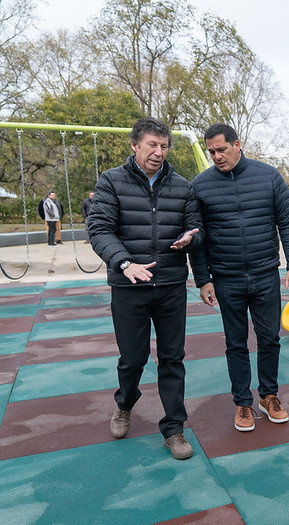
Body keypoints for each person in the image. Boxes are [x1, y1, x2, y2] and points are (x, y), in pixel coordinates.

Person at [88, 117, 204, 460]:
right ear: (135, 145)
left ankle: (174, 429)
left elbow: (197, 228)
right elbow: (99, 229)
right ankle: (124, 404)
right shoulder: (111, 181)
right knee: (133, 358)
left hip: (170, 285)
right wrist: (126, 264)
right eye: (152, 145)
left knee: (172, 358)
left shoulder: (182, 186)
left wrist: (191, 237)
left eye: (164, 146)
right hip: (128, 286)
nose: (158, 152)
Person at [190, 123, 289, 433]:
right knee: (236, 344)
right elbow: (196, 238)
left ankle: (269, 396)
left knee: (270, 339)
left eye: (221, 150)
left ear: (237, 145)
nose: (216, 156)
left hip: (266, 275)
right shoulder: (200, 185)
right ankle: (242, 402)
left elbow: (287, 223)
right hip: (226, 279)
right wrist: (203, 279)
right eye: (211, 151)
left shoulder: (268, 176)